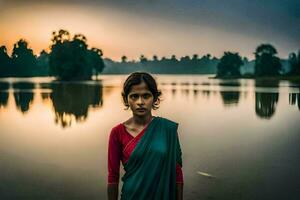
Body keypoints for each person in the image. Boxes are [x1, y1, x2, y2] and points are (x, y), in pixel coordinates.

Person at [107, 72, 184, 200]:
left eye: (146, 96)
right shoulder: (117, 133)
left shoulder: (167, 129)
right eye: (134, 96)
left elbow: (177, 173)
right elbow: (113, 176)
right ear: (126, 99)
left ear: (154, 98)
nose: (140, 102)